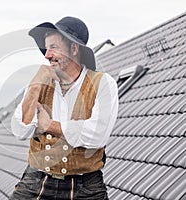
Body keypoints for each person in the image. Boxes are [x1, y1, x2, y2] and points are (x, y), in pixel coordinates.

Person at [10, 16, 118, 200]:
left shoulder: (103, 83)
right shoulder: (40, 83)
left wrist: (48, 124)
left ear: (74, 48)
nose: (47, 55)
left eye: (53, 47)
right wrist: (34, 86)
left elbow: (96, 135)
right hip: (36, 181)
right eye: (46, 48)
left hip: (85, 188)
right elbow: (20, 130)